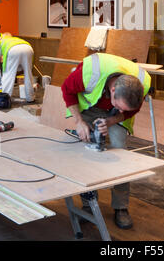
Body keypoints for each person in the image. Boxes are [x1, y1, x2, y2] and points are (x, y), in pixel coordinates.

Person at [61, 52, 151, 230]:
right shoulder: (88, 73)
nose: (116, 108)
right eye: (117, 104)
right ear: (113, 91)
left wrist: (112, 119)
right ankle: (88, 204)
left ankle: (121, 207)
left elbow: (130, 110)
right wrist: (79, 122)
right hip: (90, 106)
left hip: (117, 116)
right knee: (85, 150)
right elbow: (67, 90)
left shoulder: (142, 83)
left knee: (120, 151)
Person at [0, 33, 35, 102]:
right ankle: (30, 98)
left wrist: (2, 59)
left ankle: (5, 99)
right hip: (28, 48)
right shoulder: (16, 39)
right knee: (28, 74)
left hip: (13, 50)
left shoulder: (0, 42)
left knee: (9, 75)